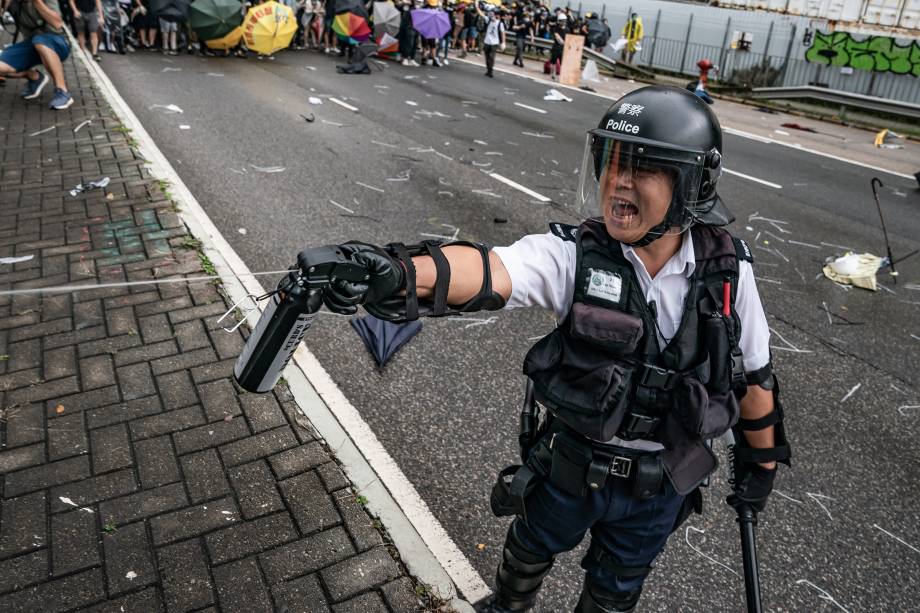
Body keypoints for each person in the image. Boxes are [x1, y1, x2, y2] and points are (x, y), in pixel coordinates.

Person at [309, 85, 790, 613]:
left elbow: (753, 381)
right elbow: (491, 271)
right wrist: (395, 274)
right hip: (570, 471)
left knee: (616, 592)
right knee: (525, 555)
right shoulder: (575, 255)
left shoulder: (729, 273)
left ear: (693, 183)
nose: (618, 181)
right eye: (612, 161)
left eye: (645, 167)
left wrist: (760, 466)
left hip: (660, 486)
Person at [0, 0, 74, 109]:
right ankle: (34, 77)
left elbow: (57, 23)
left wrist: (37, 2)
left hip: (58, 42)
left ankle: (62, 91)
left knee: (40, 41)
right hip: (31, 45)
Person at [477, 2, 504, 78]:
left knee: (491, 57)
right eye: (490, 14)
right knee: (487, 57)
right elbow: (481, 13)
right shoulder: (488, 20)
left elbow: (502, 33)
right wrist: (477, 6)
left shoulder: (499, 23)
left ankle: (490, 71)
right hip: (487, 42)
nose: (490, 15)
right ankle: (488, 70)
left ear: (495, 15)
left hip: (494, 43)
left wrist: (503, 43)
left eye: (492, 14)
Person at [548, 10, 565, 80]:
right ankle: (553, 74)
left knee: (562, 63)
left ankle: (562, 75)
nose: (563, 22)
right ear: (559, 21)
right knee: (553, 62)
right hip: (556, 47)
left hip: (562, 49)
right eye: (562, 20)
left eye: (564, 20)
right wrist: (563, 42)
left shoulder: (567, 29)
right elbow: (557, 37)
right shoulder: (555, 28)